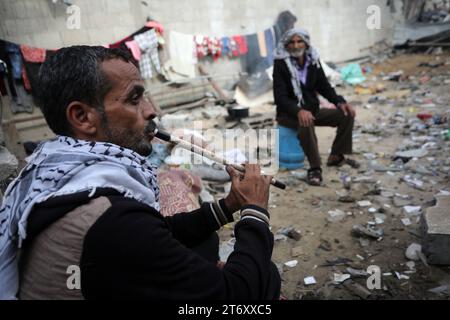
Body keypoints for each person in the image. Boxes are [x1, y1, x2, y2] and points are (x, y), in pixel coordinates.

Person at [0, 46, 280, 300]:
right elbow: (238, 297)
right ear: (83, 117)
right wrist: (255, 210)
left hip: (102, 276)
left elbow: (162, 232)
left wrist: (230, 205)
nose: (150, 111)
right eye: (135, 99)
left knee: (203, 239)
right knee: (265, 275)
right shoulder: (111, 220)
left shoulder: (55, 167)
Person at [273, 28, 359, 186]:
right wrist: (298, 110)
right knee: (306, 121)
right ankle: (315, 168)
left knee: (346, 114)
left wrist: (340, 102)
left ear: (305, 44)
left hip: (313, 110)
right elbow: (280, 98)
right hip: (289, 114)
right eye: (292, 42)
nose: (296, 45)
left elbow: (324, 86)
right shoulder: (280, 64)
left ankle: (336, 155)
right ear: (287, 45)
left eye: (299, 41)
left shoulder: (312, 60)